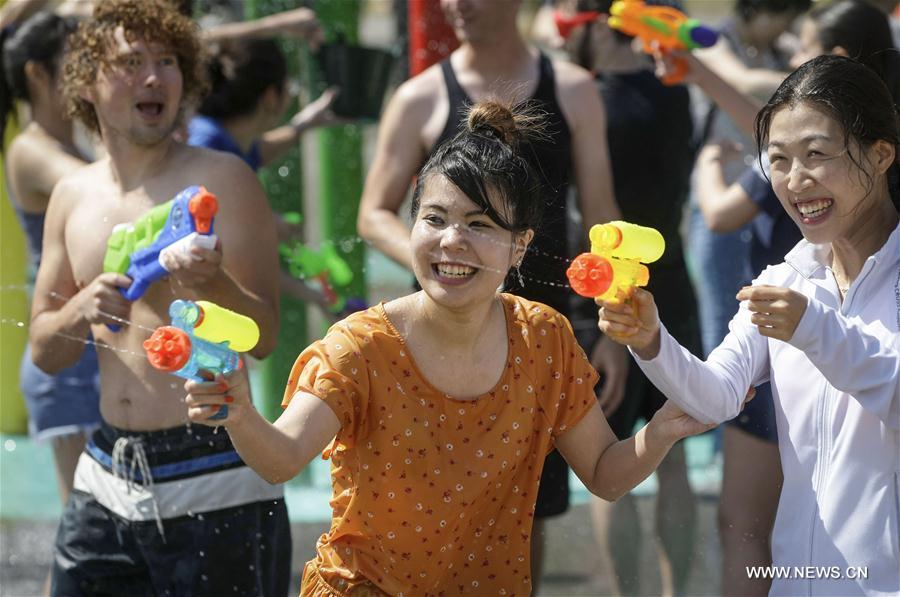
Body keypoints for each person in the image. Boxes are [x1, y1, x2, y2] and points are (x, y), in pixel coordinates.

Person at [185, 99, 715, 596]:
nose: (451, 241)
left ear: (519, 247)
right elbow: (282, 459)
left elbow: (603, 473)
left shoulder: (543, 339)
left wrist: (665, 427)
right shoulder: (361, 347)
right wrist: (239, 412)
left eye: (479, 225)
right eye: (434, 219)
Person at [598, 54, 900, 596]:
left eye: (816, 155)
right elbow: (714, 398)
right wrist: (650, 340)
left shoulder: (806, 303)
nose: (795, 180)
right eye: (779, 160)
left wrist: (815, 330)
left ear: (880, 155)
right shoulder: (790, 278)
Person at [355, 0, 621, 583]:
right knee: (421, 496)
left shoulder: (572, 89)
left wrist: (613, 331)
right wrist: (449, 267)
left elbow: (603, 222)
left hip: (541, 334)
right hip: (436, 334)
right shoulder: (420, 96)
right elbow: (372, 212)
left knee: (529, 510)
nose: (457, 5)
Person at [28, 1, 288, 594]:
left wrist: (213, 285)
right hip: (108, 472)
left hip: (217, 466)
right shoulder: (72, 196)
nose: (153, 76)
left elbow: (265, 337)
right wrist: (79, 309)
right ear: (86, 84)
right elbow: (45, 350)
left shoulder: (224, 180)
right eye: (131, 62)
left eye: (167, 60)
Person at [558, 1, 701, 594]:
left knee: (610, 462)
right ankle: (682, 592)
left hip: (607, 294)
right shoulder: (674, 96)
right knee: (677, 459)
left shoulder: (581, 100)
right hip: (672, 284)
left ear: (594, 26)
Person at [1, 12, 96, 597]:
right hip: (65, 356)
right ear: (38, 74)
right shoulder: (32, 151)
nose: (90, 76)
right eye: (77, 64)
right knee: (82, 536)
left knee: (91, 536)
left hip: (88, 351)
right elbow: (104, 187)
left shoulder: (66, 142)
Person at [187, 37, 343, 318]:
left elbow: (256, 153)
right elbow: (217, 230)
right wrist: (265, 224)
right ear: (272, 96)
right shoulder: (205, 144)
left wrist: (304, 124)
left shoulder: (222, 139)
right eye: (290, 88)